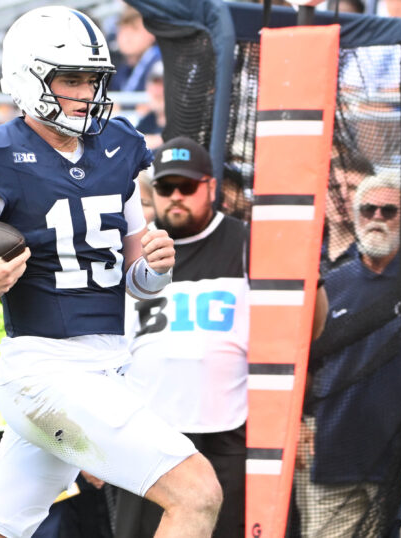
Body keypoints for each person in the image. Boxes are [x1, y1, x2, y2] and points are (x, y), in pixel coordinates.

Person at [0, 7, 222, 538]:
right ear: (28, 76)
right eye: (71, 79)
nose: (86, 92)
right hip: (46, 372)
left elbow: (134, 275)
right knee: (198, 493)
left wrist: (154, 268)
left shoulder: (119, 147)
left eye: (93, 79)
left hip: (106, 367)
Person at [117, 137, 250, 538]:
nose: (176, 197)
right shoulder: (134, 250)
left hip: (226, 433)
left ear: (211, 187)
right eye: (165, 187)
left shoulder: (246, 242)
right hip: (146, 436)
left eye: (187, 187)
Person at [296, 173, 401, 538]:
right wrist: (298, 422)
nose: (377, 217)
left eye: (389, 210)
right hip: (333, 455)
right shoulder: (331, 283)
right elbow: (302, 361)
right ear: (356, 215)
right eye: (368, 209)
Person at [322, 144, 375, 273]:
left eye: (352, 188)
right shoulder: (307, 253)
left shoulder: (376, 259)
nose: (342, 196)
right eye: (335, 188)